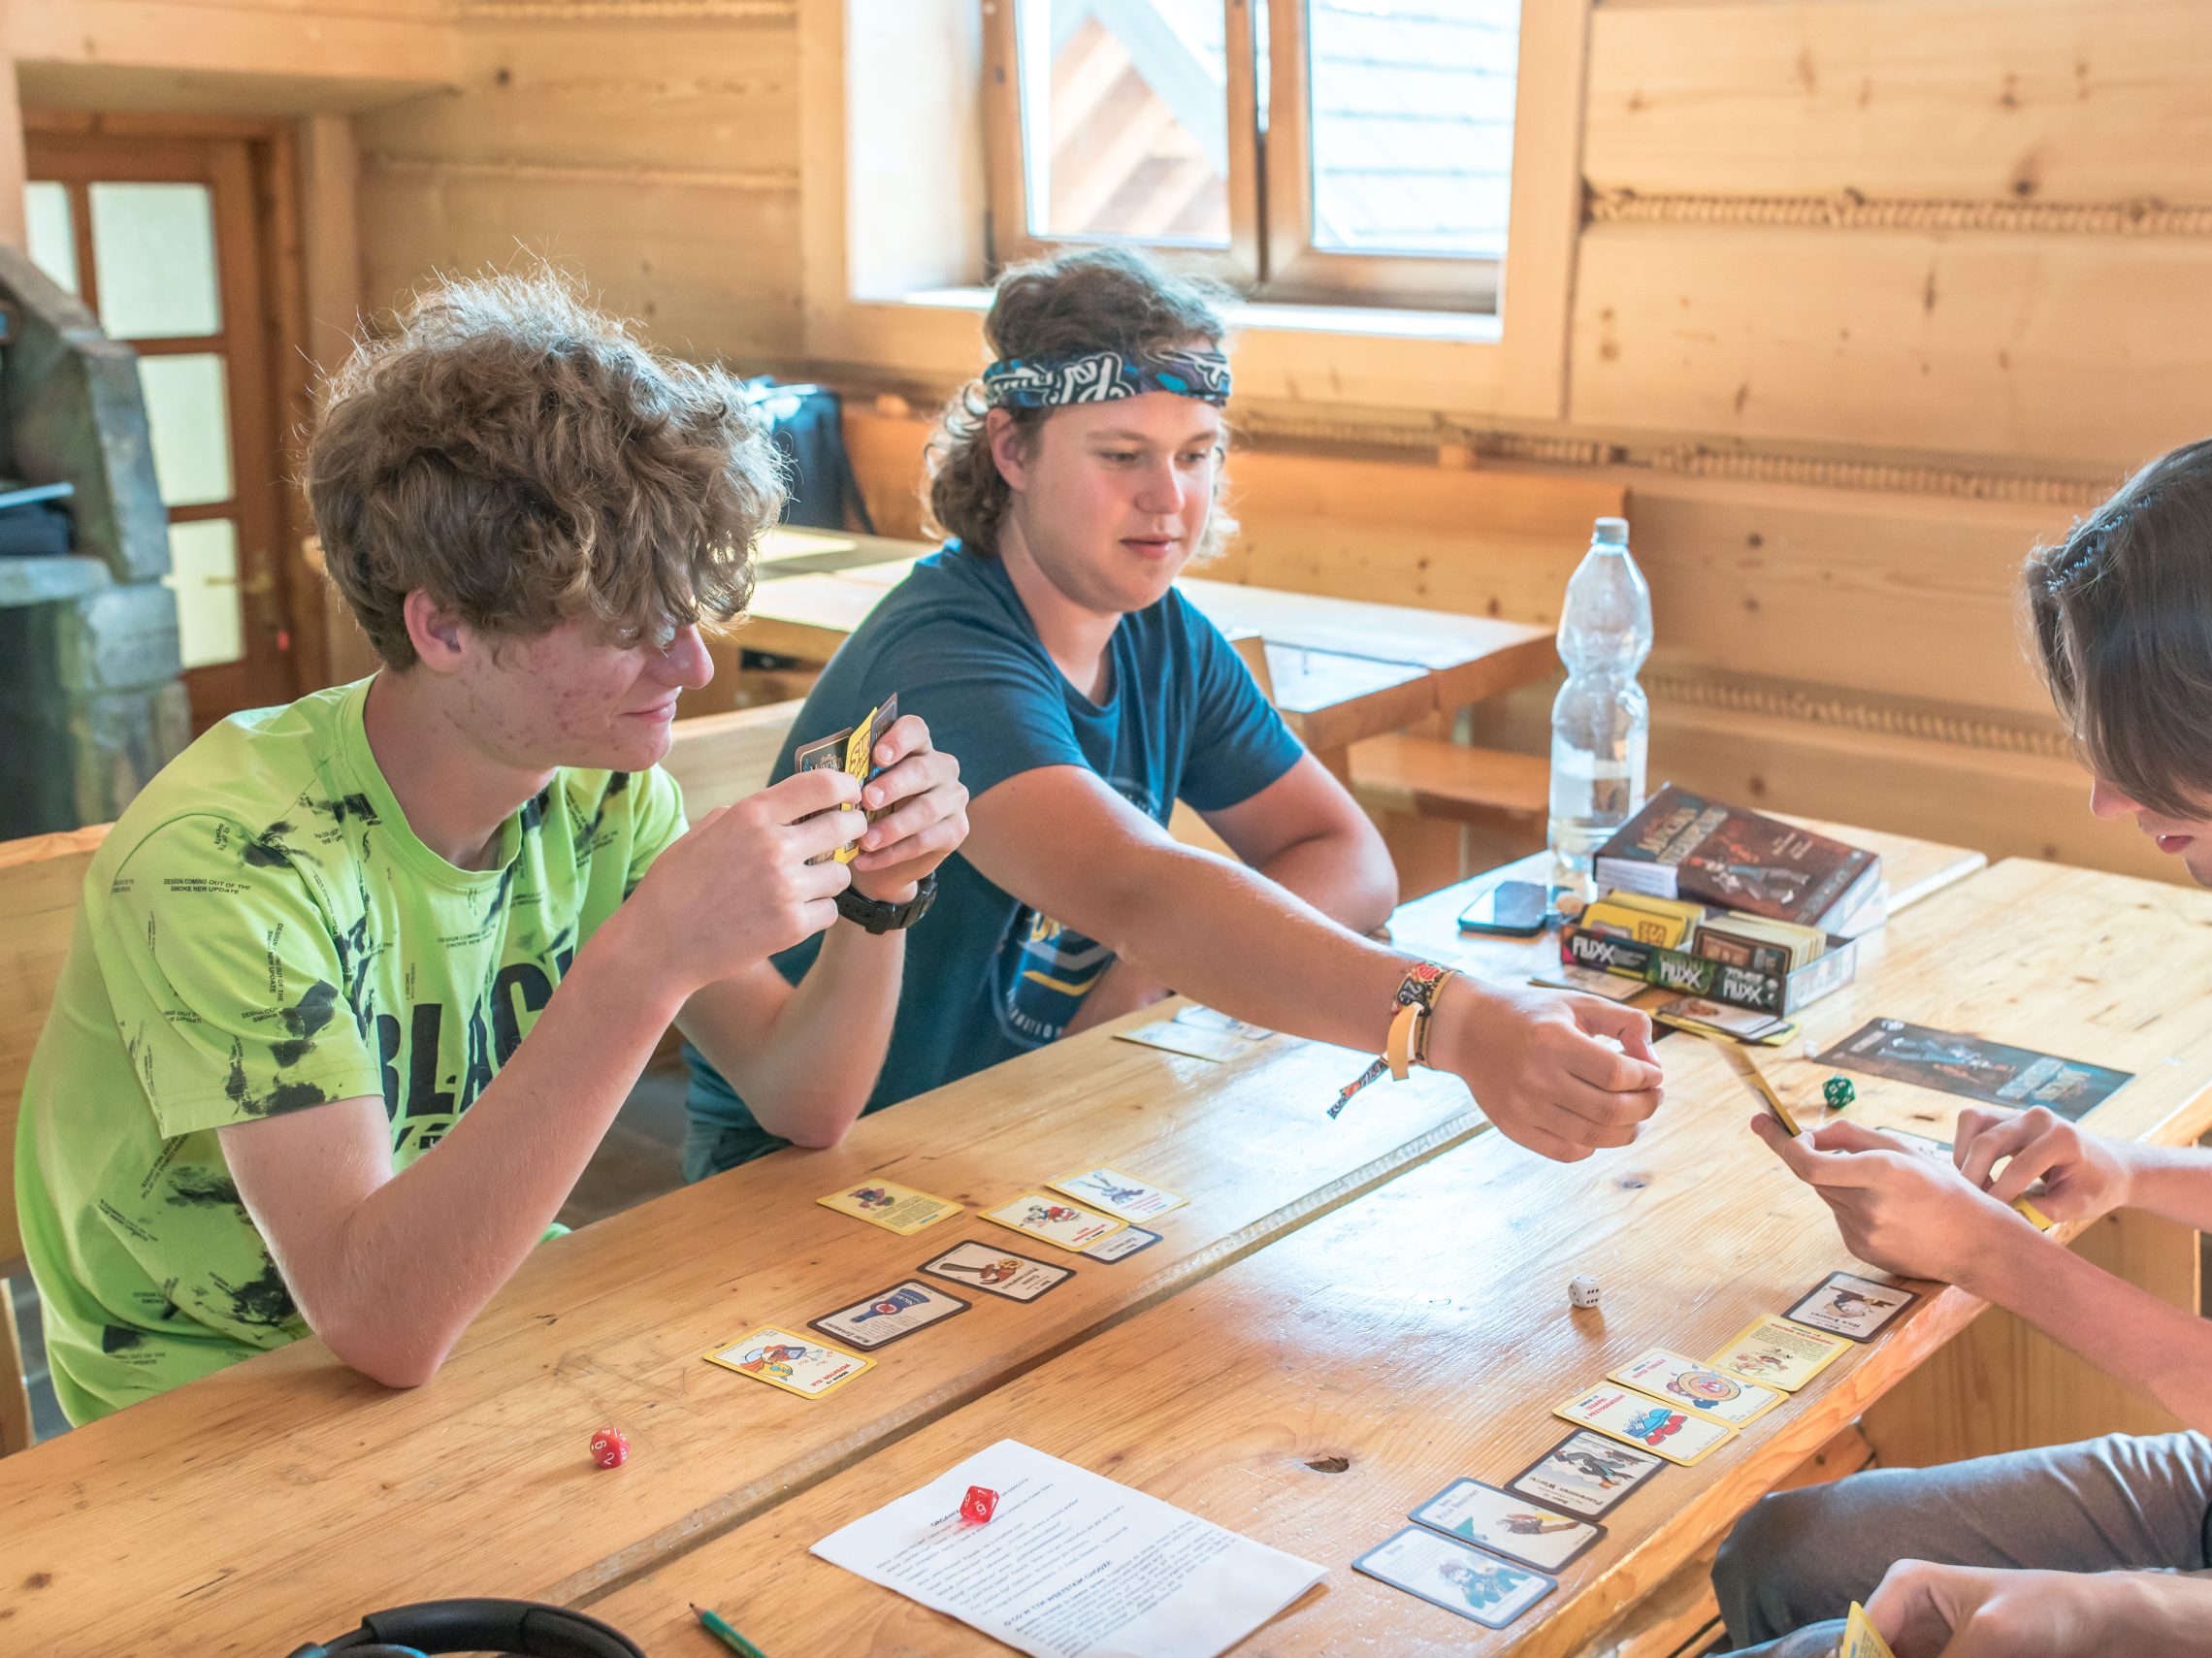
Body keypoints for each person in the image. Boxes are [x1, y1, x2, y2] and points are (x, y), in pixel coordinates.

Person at [13, 272, 970, 1423]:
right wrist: (647, 956)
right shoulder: (226, 858)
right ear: (444, 624)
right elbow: (378, 1322)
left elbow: (799, 1100)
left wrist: (880, 898)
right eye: (630, 628)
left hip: (494, 1310)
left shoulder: (602, 792)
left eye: (686, 615)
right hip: (195, 1404)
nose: (692, 669)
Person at [1709, 431, 2212, 1653]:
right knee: (1780, 1548)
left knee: (1818, 1618)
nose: (2109, 801)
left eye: (2144, 757)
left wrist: (1998, 1255)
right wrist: (2122, 1167)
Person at [681, 246, 1663, 1178]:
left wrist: (1157, 972)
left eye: (1197, 456)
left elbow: (1348, 857)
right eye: (1122, 455)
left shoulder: (1160, 632)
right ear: (1011, 449)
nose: (1170, 500)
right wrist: (1459, 1018)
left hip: (1041, 1123)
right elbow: (1140, 890)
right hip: (815, 1172)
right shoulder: (947, 662)